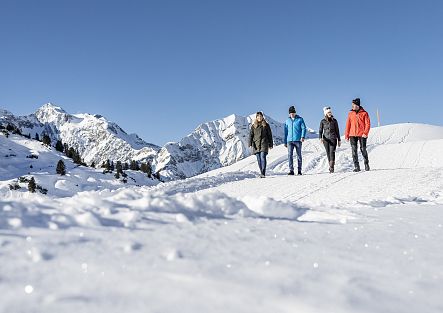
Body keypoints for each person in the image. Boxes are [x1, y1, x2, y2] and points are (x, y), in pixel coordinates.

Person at [345, 98, 371, 172]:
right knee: (354, 151)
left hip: (362, 134)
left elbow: (368, 124)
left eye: (354, 105)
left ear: (357, 105)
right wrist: (347, 135)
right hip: (352, 134)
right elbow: (348, 124)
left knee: (363, 149)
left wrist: (365, 133)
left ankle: (366, 164)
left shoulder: (364, 113)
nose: (352, 106)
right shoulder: (350, 113)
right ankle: (357, 166)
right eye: (352, 105)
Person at [249, 111, 273, 178]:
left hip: (264, 143)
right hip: (256, 144)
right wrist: (250, 143)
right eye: (258, 116)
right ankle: (261, 172)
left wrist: (271, 144)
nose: (259, 117)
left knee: (263, 157)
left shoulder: (266, 125)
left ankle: (263, 173)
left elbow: (269, 135)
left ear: (262, 117)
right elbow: (251, 135)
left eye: (260, 116)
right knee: (258, 159)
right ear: (256, 117)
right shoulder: (253, 126)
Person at [284, 105, 306, 175]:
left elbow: (303, 128)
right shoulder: (287, 121)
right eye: (291, 113)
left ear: (295, 113)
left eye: (293, 113)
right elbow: (286, 132)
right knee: (290, 155)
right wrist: (285, 141)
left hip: (298, 140)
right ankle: (291, 170)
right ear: (289, 114)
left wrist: (302, 136)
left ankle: (299, 171)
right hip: (289, 141)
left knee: (299, 155)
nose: (292, 114)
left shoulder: (300, 119)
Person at [319, 106, 341, 173]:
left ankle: (331, 167)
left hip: (333, 138)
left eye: (330, 112)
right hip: (326, 139)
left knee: (332, 152)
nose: (330, 113)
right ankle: (331, 166)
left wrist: (339, 140)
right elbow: (320, 130)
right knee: (328, 153)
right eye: (328, 112)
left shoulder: (334, 121)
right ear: (325, 113)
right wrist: (320, 138)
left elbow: (337, 130)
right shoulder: (322, 121)